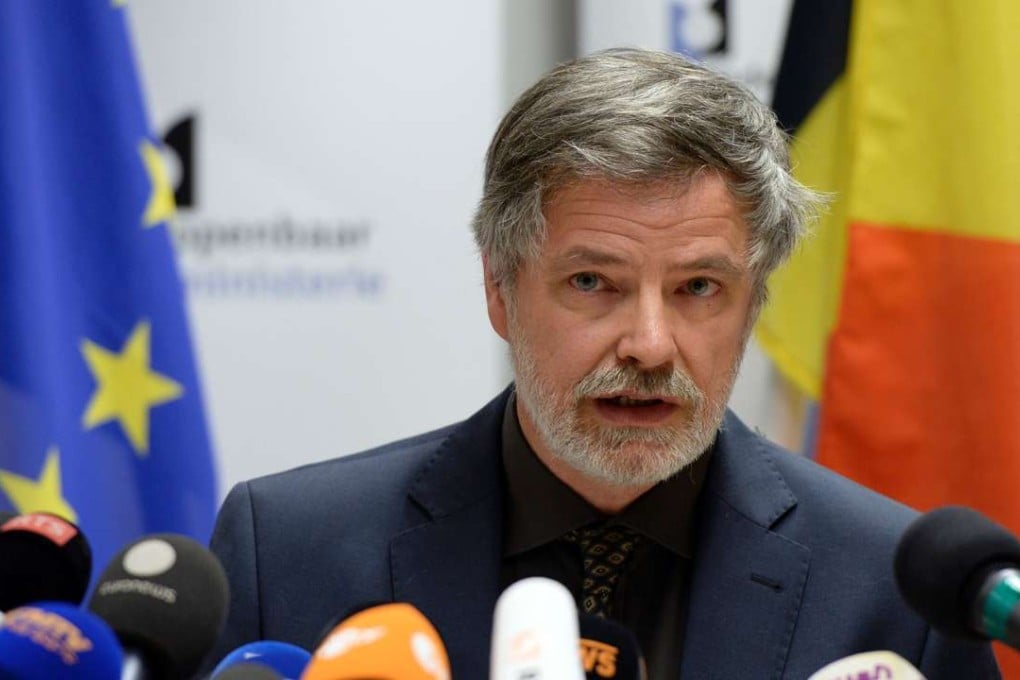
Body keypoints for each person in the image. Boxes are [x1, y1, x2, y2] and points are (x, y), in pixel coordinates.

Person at [202, 48, 1000, 678]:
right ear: (499, 289)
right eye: (593, 282)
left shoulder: (895, 594)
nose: (650, 345)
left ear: (753, 302)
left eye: (698, 288)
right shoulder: (288, 555)